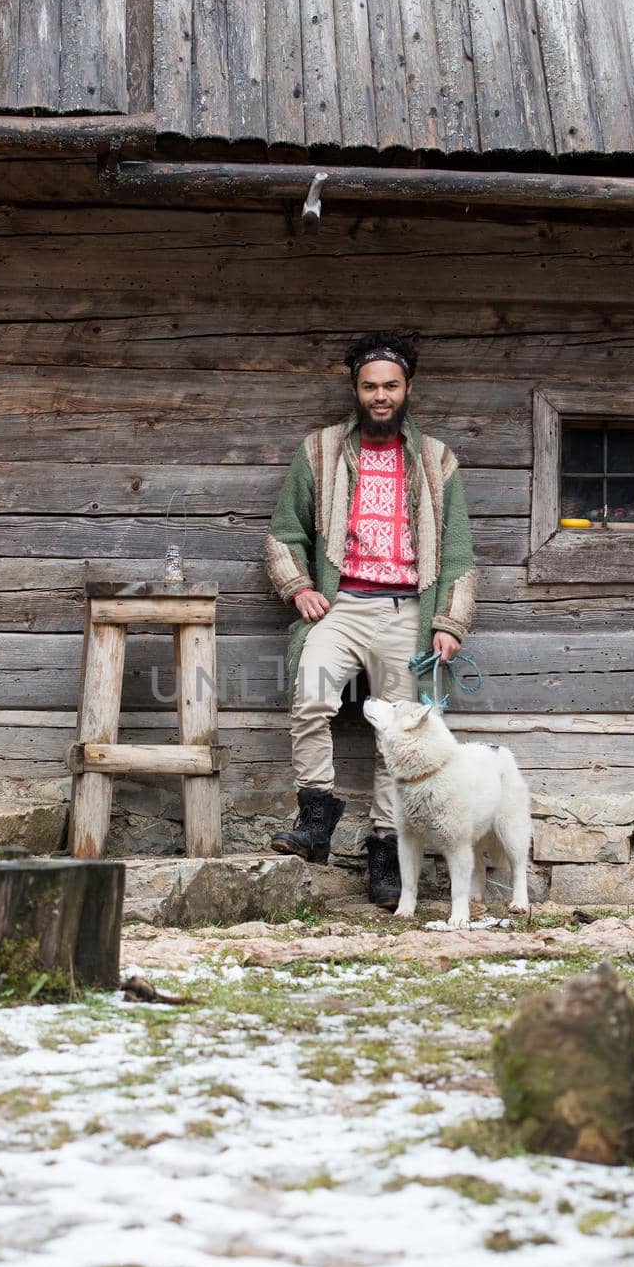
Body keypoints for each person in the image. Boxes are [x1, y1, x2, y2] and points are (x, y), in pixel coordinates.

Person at [263, 331, 477, 906]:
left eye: (390, 386)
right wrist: (300, 587)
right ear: (354, 389)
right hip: (343, 604)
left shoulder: (436, 460)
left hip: (409, 607)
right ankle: (316, 820)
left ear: (407, 389)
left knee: (399, 733)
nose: (380, 396)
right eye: (369, 386)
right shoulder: (320, 450)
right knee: (310, 695)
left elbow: (457, 554)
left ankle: (384, 852)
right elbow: (284, 533)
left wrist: (448, 623)